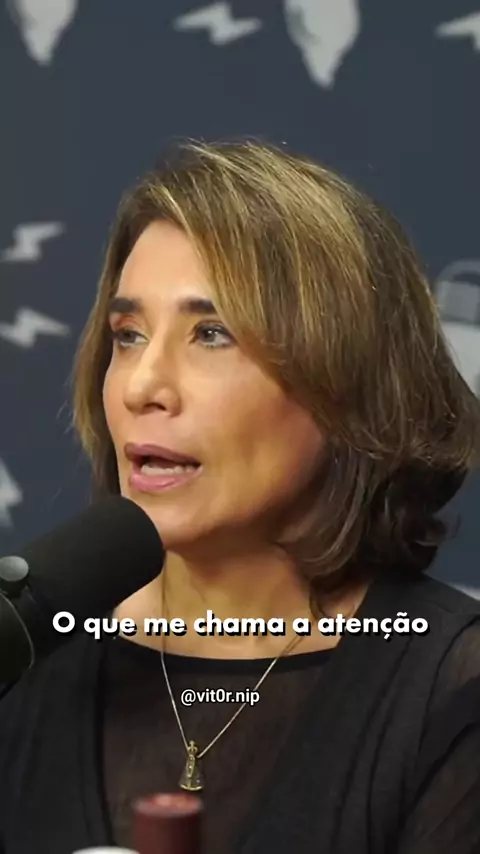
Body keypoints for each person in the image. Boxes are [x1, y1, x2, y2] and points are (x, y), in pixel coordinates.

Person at [1, 140, 480, 854]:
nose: (141, 386)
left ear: (348, 384)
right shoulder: (26, 650)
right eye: (128, 336)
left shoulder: (452, 690)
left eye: (212, 334)